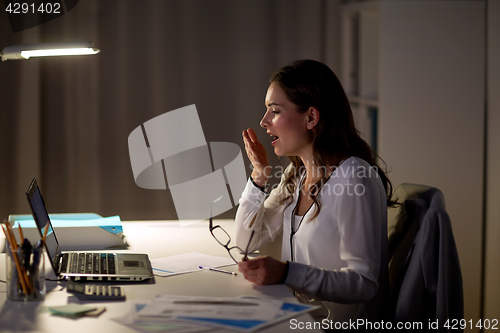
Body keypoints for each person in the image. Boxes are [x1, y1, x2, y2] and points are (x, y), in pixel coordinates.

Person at [234, 59, 393, 323]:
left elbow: (364, 283)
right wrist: (259, 175)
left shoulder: (354, 177)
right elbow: (245, 242)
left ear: (311, 117)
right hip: (296, 320)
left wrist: (287, 274)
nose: (263, 122)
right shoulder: (297, 174)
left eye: (274, 111)